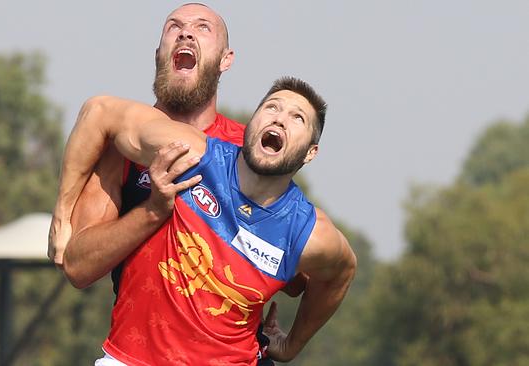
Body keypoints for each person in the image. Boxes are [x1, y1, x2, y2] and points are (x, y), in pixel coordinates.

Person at [53, 76, 357, 365]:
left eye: (297, 118)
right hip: (129, 359)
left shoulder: (309, 232)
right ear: (252, 124)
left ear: (310, 152)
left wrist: (291, 346)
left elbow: (341, 273)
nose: (279, 118)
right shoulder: (193, 153)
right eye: (272, 107)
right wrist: (62, 218)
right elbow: (100, 111)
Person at [48, 3, 274, 363]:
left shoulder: (247, 149)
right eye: (174, 27)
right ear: (159, 53)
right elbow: (78, 266)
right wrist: (152, 211)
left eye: (203, 28)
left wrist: (284, 329)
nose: (185, 32)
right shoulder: (120, 146)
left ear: (226, 59)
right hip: (135, 356)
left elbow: (296, 266)